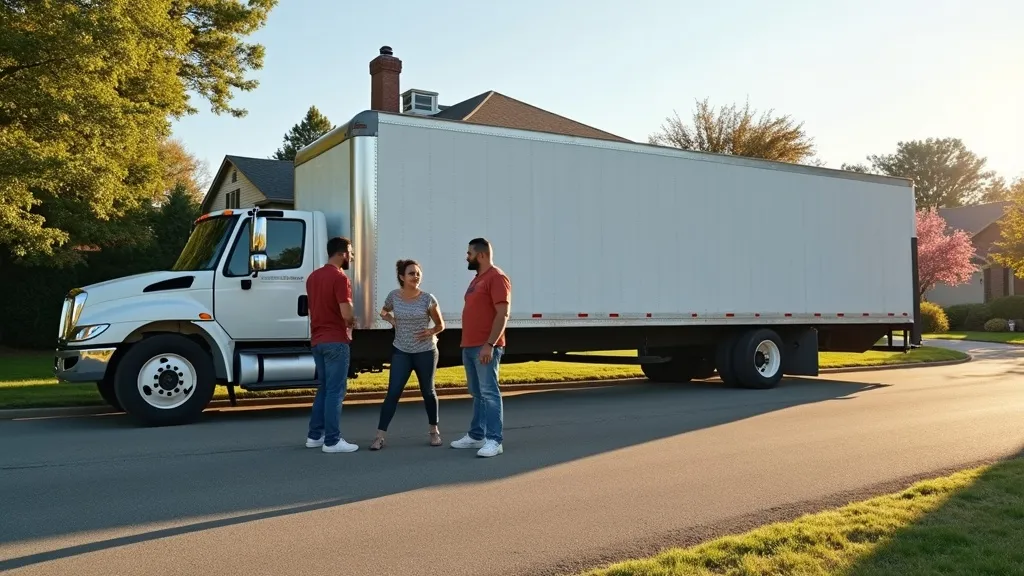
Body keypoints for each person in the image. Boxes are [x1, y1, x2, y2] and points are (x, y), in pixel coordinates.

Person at [370, 259, 445, 450]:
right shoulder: (394, 296)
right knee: (393, 393)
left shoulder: (428, 298)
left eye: (418, 273)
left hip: (425, 352)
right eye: (411, 273)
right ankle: (380, 436)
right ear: (402, 277)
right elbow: (383, 311)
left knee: (428, 392)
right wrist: (393, 321)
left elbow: (440, 325)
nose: (416, 276)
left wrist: (430, 332)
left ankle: (434, 431)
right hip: (401, 351)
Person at [450, 238, 511, 458]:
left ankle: (495, 440)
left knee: (489, 393)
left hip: (484, 347)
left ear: (482, 255)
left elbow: (502, 314)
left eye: (469, 253)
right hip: (469, 345)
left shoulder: (496, 277)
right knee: (478, 393)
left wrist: (490, 344)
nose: (467, 257)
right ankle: (477, 436)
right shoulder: (478, 279)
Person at [304, 236, 359, 453]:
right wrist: (354, 320)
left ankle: (315, 436)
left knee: (325, 389)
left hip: (317, 340)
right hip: (336, 340)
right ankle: (333, 441)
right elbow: (345, 312)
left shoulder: (313, 277)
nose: (352, 256)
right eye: (351, 252)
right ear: (343, 252)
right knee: (336, 392)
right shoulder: (339, 277)